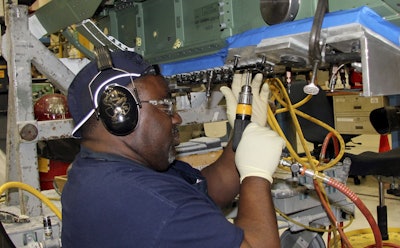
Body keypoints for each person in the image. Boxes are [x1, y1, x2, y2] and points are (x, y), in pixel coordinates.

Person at [61, 48, 285, 248]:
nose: (177, 118)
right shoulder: (156, 205)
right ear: (121, 114)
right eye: (166, 106)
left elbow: (207, 190)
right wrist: (257, 176)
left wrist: (243, 130)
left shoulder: (98, 170)